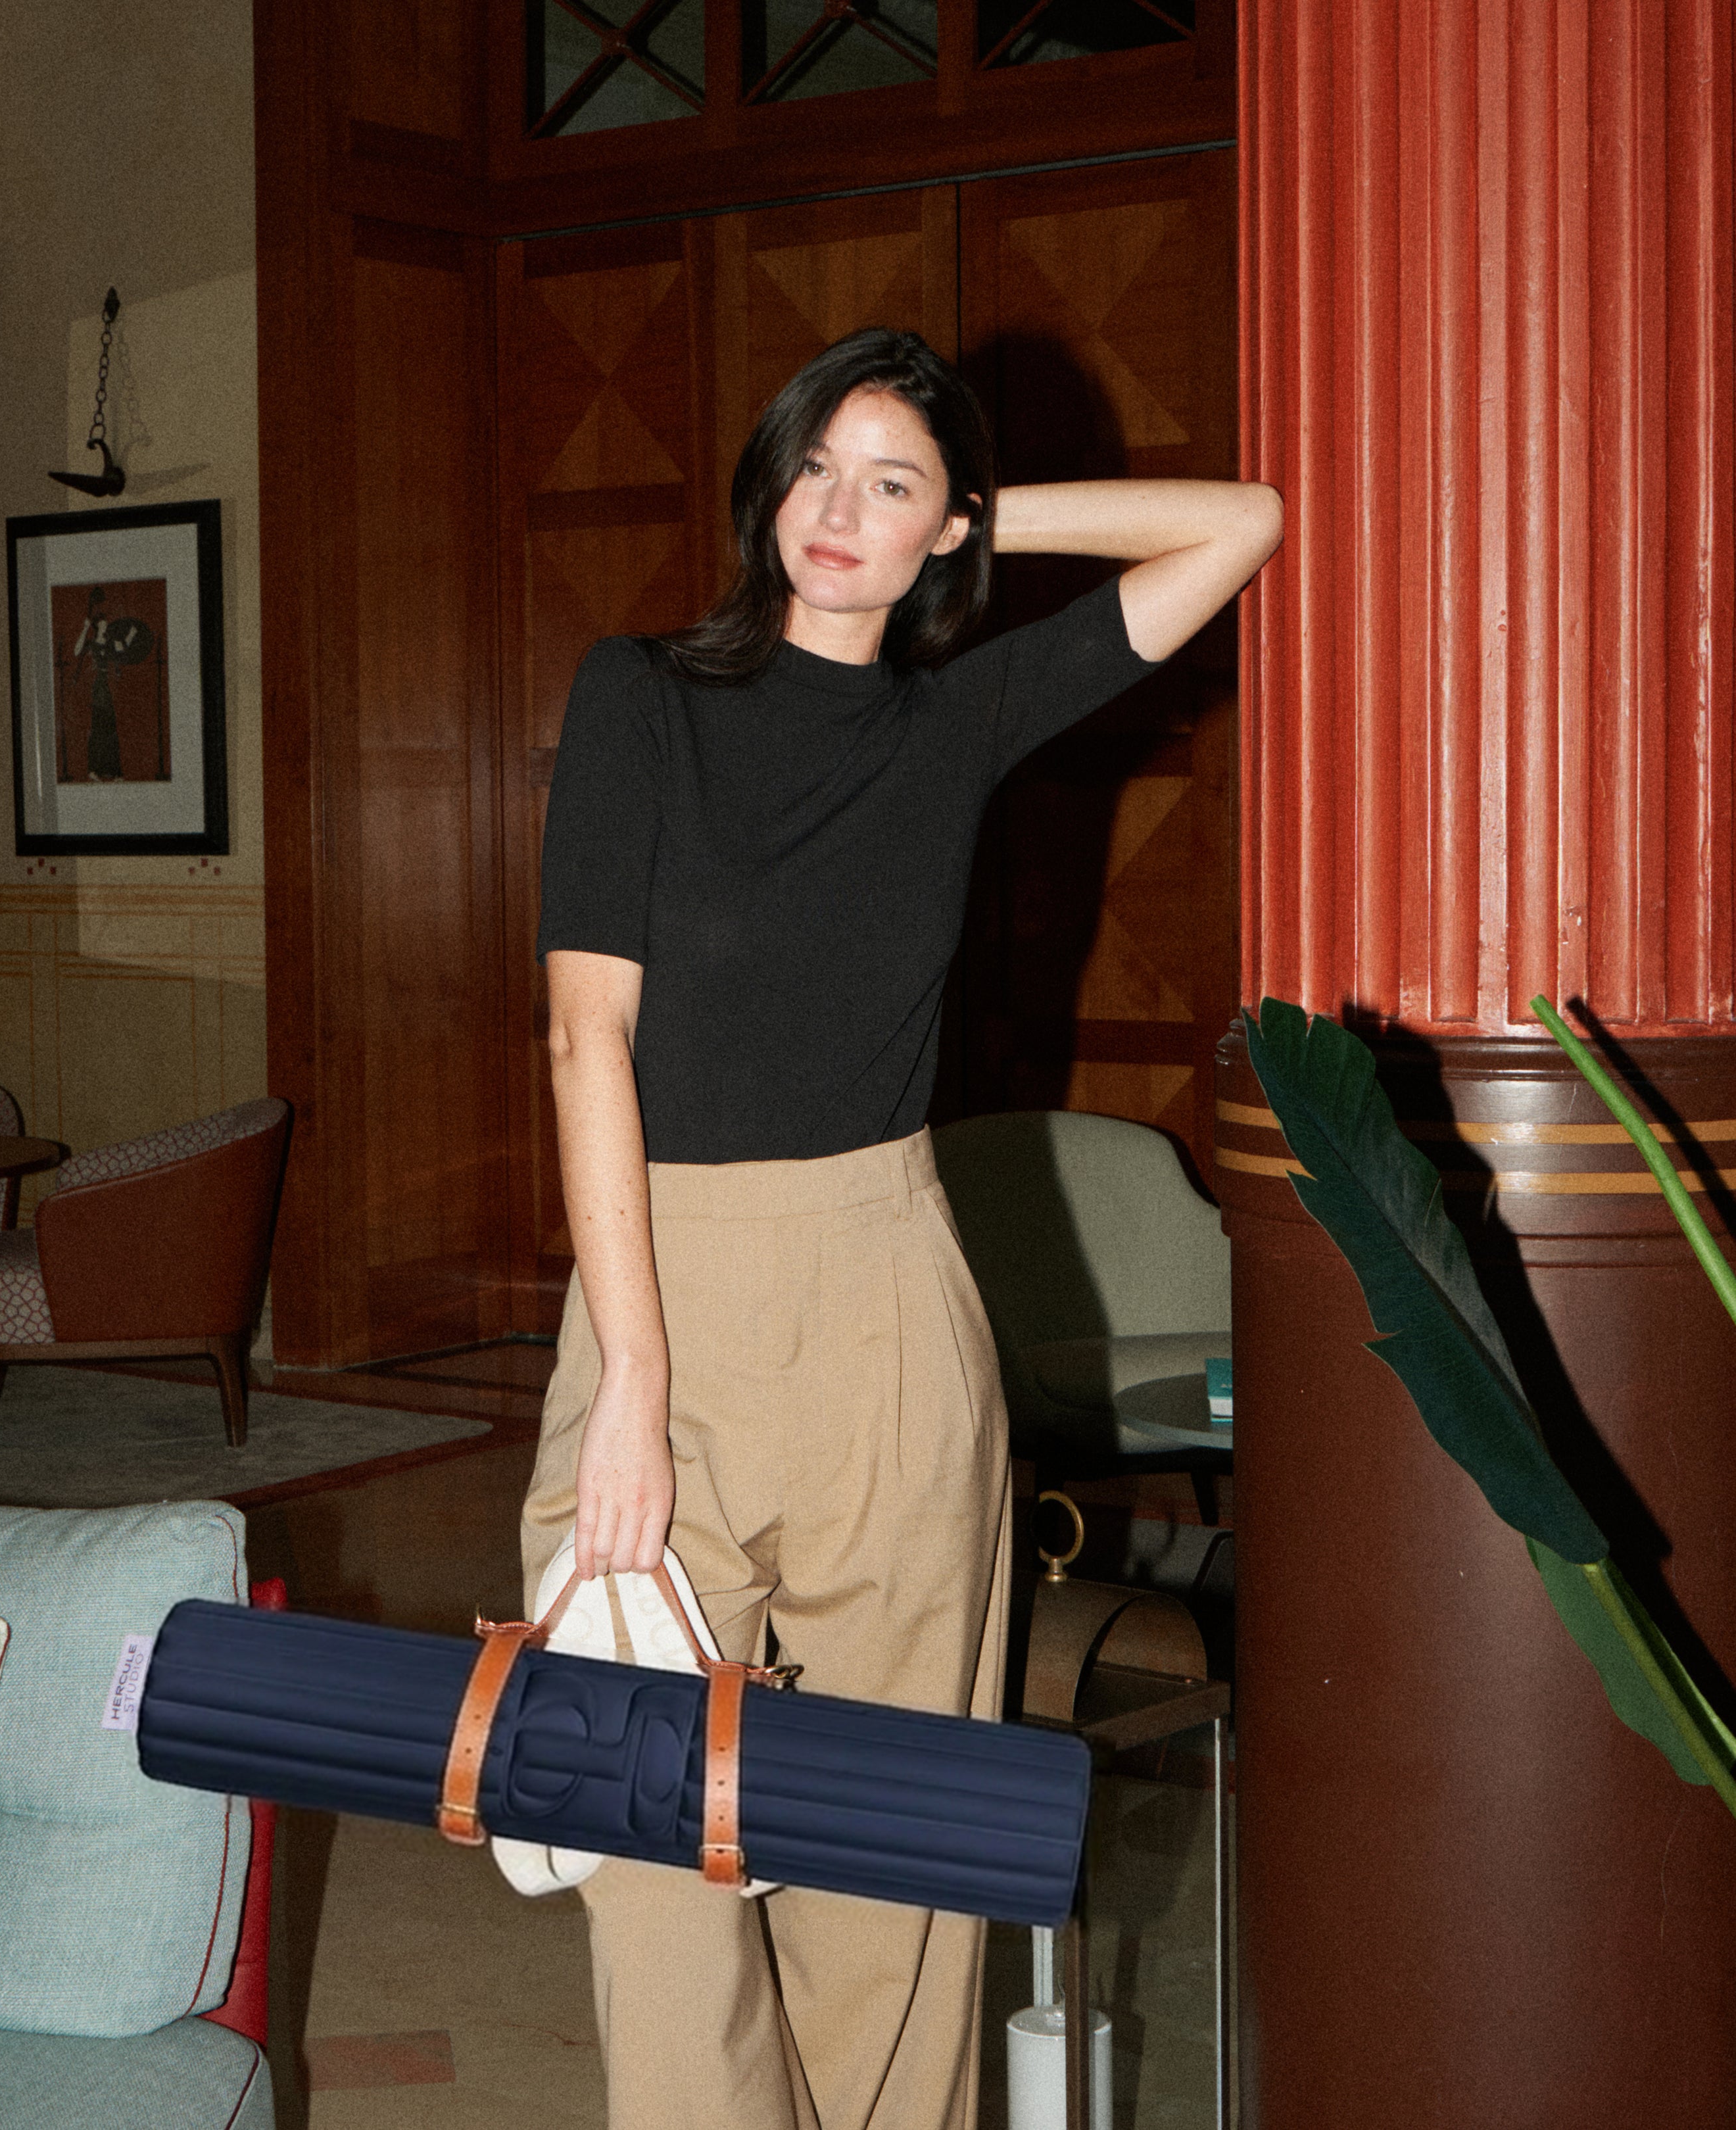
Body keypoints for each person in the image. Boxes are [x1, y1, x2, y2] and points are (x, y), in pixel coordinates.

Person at [521, 327, 1282, 2130]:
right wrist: (631, 1386)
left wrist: (981, 507)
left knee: (889, 1837)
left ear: (950, 529)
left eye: (888, 484)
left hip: (889, 1297)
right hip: (663, 1297)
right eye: (813, 465)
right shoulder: (640, 695)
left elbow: (1241, 523)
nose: (836, 510)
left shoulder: (958, 722)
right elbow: (584, 1040)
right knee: (635, 1816)